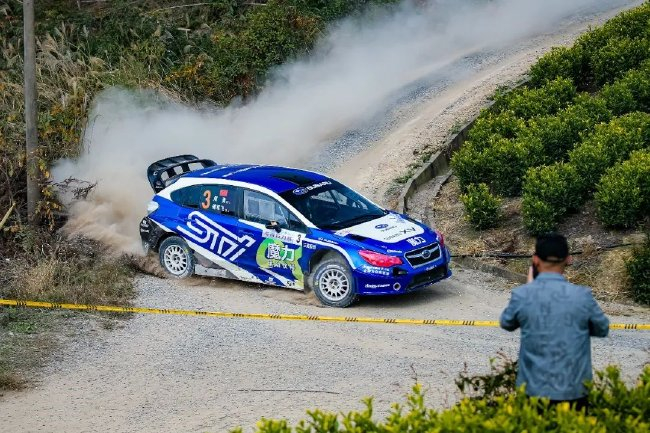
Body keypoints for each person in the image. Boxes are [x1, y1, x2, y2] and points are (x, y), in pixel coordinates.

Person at [500, 233, 609, 412]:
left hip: (533, 389)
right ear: (568, 259)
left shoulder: (522, 295)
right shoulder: (582, 295)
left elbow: (507, 322)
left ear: (535, 260)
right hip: (575, 391)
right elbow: (602, 328)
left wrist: (530, 287)